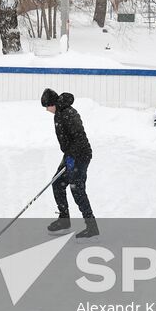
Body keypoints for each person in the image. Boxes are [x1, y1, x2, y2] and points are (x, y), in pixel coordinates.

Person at [41, 88, 97, 239]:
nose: (47, 110)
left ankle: (92, 228)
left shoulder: (68, 114)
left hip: (80, 155)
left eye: (47, 106)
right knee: (57, 183)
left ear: (53, 103)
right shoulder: (59, 113)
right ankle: (64, 220)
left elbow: (79, 137)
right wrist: (68, 156)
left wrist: (72, 157)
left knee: (77, 189)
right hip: (70, 155)